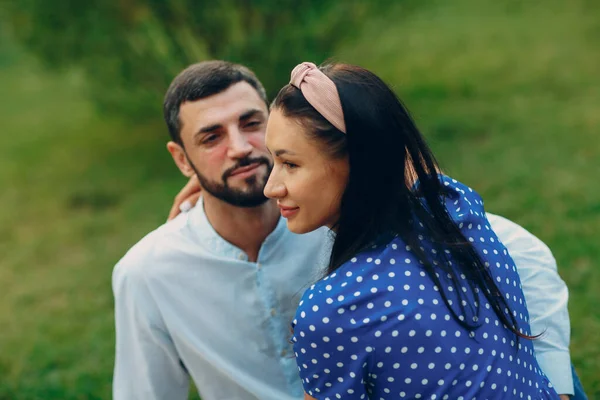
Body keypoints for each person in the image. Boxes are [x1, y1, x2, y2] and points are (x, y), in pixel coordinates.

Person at [112, 60, 580, 400]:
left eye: (252, 125)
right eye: (211, 138)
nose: (241, 149)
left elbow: (520, 253)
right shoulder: (149, 272)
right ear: (181, 159)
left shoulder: (347, 212)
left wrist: (555, 387)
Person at [262, 61, 556, 399]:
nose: (272, 187)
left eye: (290, 164)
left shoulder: (332, 312)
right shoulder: (454, 206)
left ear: (358, 162)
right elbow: (403, 158)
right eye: (272, 160)